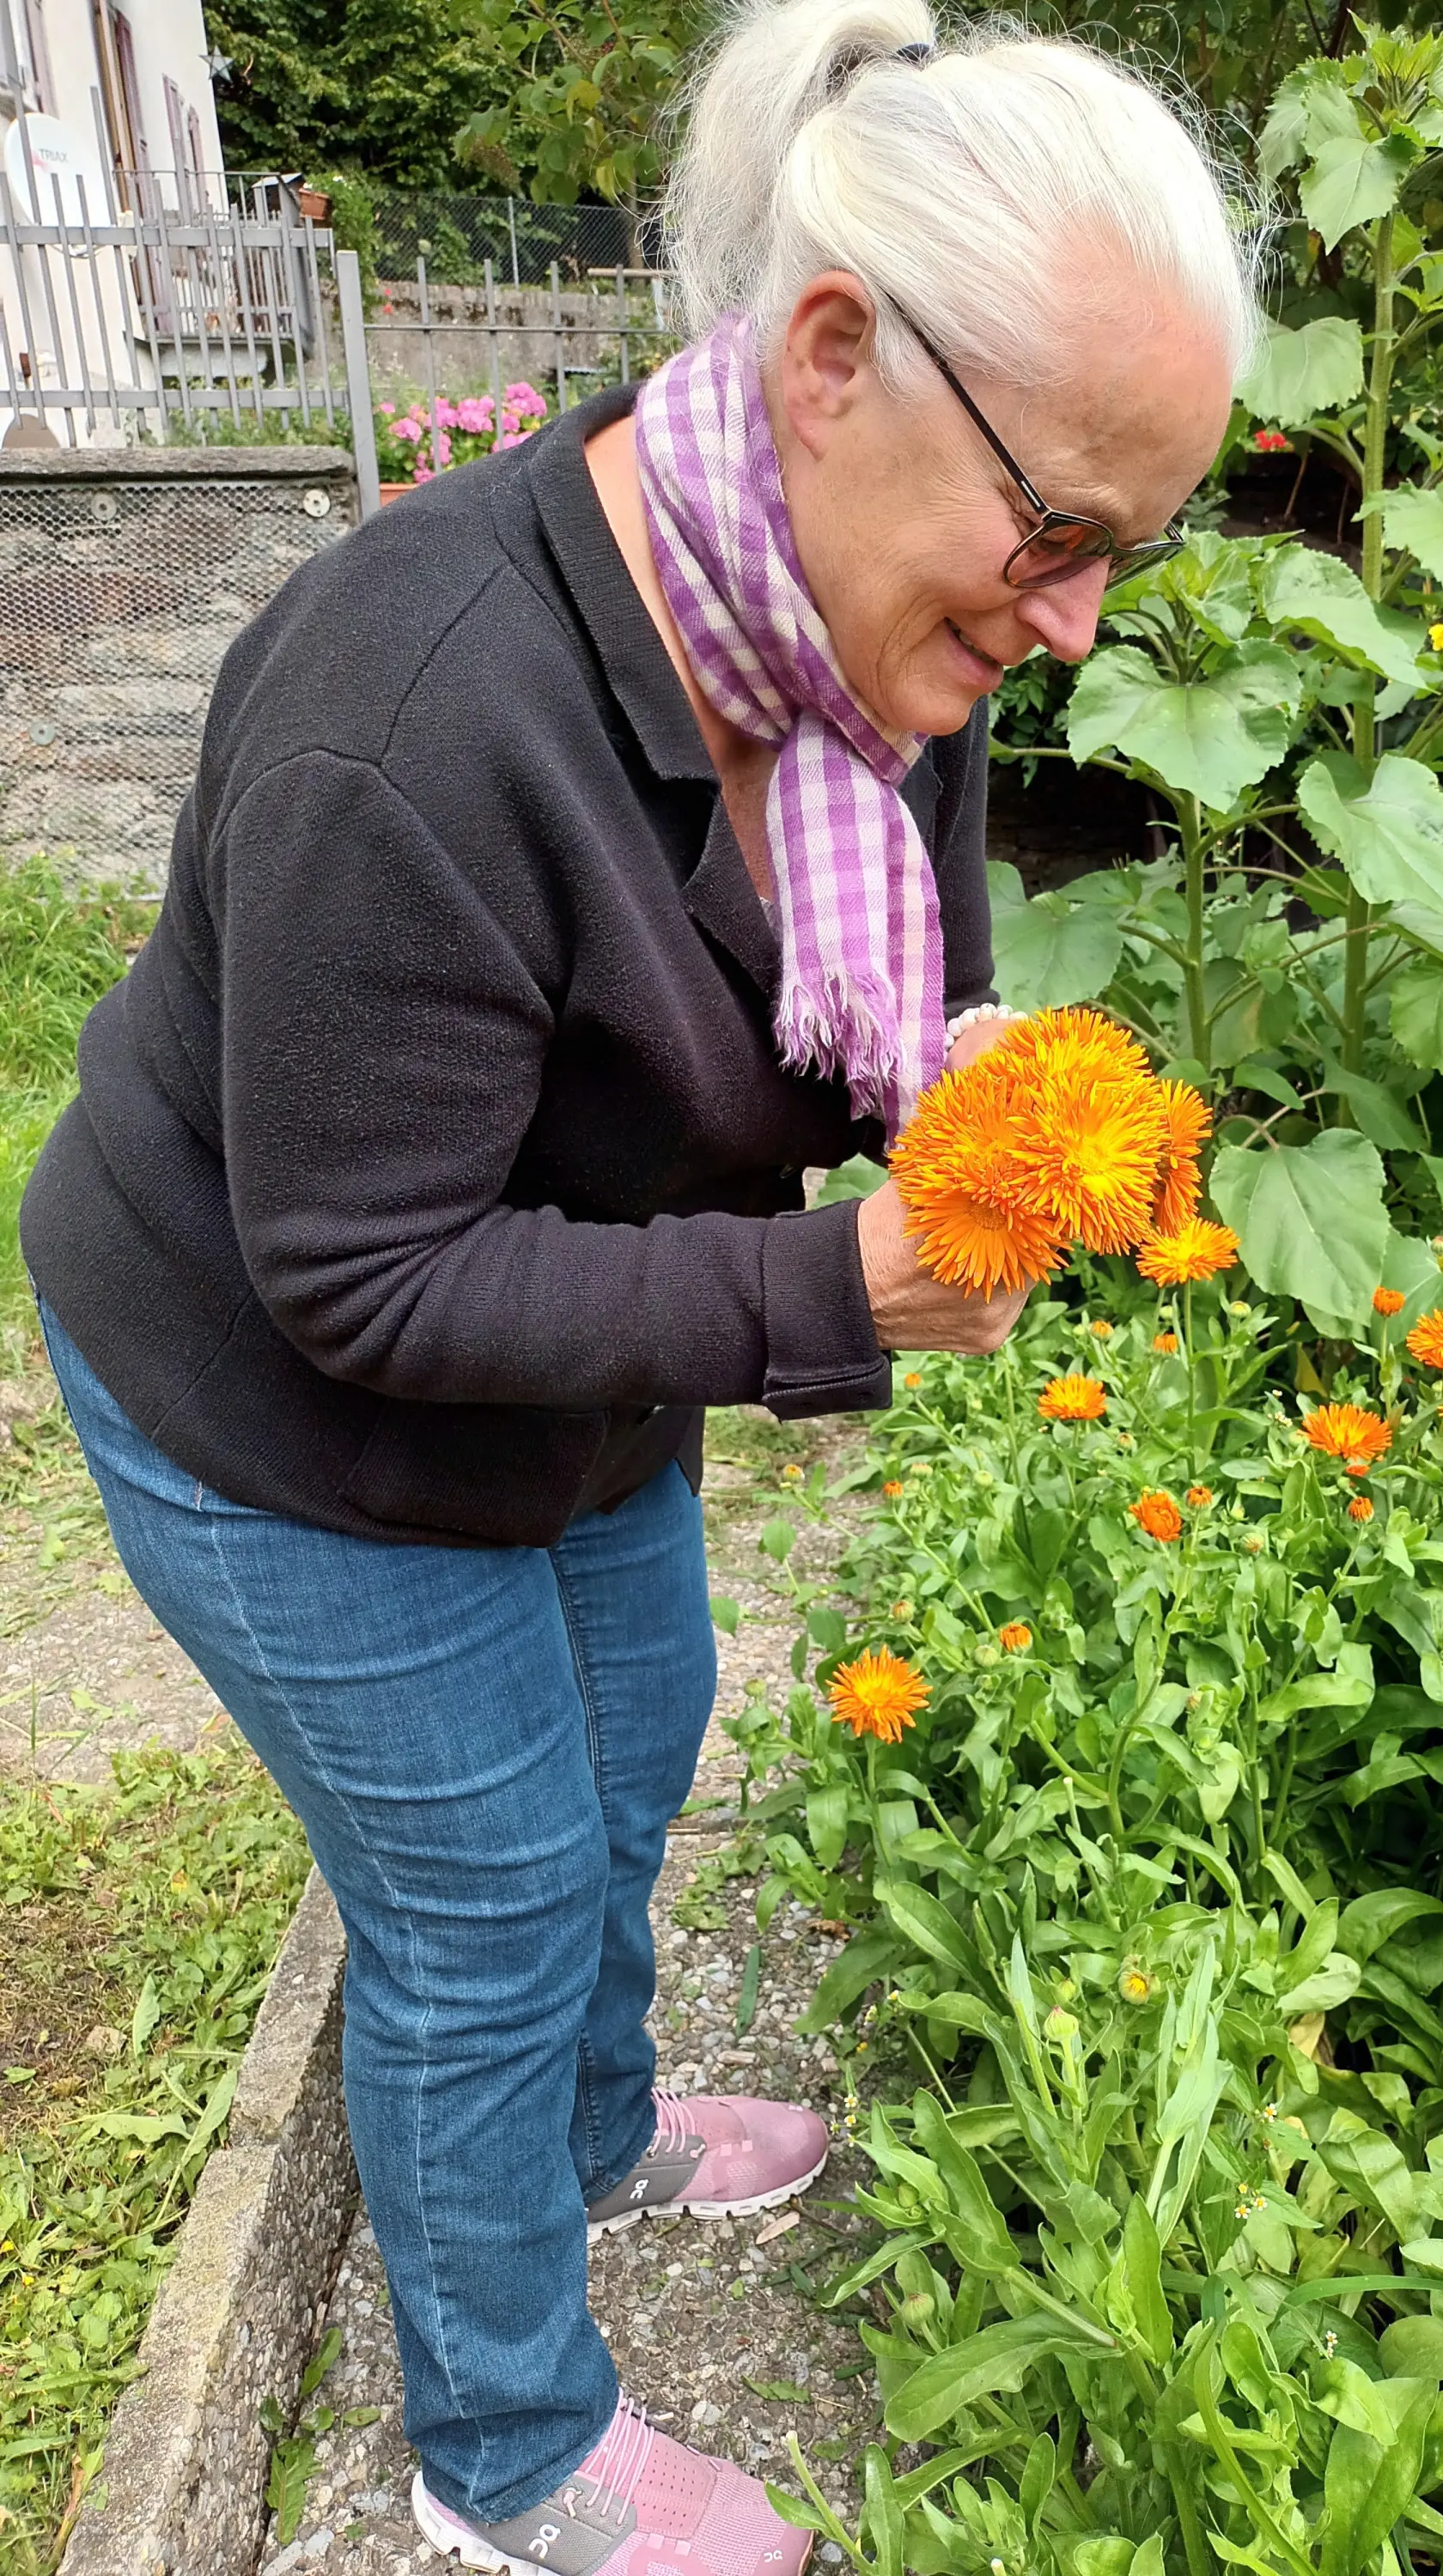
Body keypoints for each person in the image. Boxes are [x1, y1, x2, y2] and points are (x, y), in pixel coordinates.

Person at [20, 2, 1247, 2567]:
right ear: (830, 363)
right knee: (471, 1906)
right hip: (284, 1400)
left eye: (1131, 545)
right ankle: (507, 2457)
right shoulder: (422, 708)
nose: (1082, 620)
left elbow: (899, 960)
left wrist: (984, 1094)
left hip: (562, 1330)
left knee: (642, 1740)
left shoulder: (877, 626)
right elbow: (360, 1282)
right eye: (1059, 538)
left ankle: (600, 2135)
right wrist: (838, 1299)